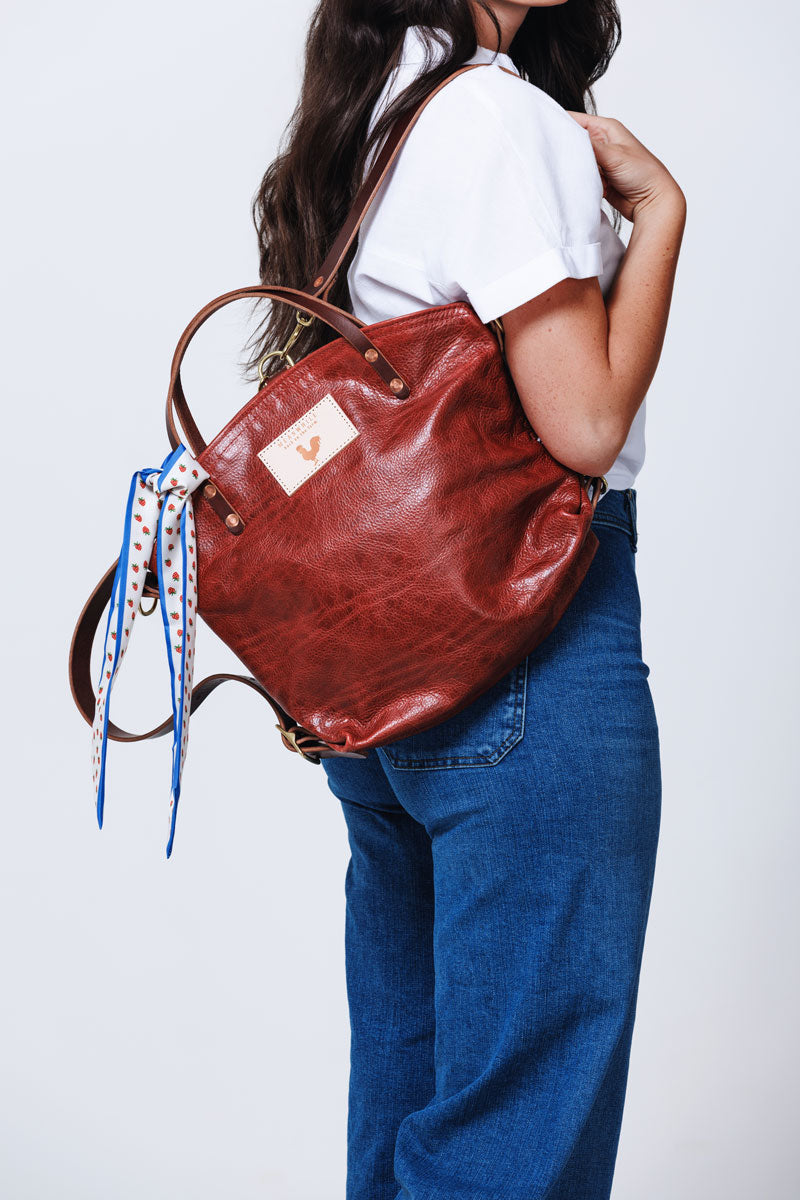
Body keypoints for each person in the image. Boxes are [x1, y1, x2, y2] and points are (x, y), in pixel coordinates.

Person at [252, 2, 686, 1197]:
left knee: (409, 1094)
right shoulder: (495, 117)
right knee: (514, 1121)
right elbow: (585, 423)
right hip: (527, 640)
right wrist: (659, 219)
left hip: (386, 668)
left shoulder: (364, 116)